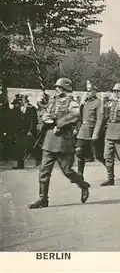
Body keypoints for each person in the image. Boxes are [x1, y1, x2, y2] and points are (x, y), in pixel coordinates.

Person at [28, 78, 90, 209]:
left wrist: (60, 124)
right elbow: (46, 114)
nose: (56, 89)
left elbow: (75, 115)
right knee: (43, 172)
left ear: (66, 89)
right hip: (49, 140)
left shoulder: (72, 102)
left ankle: (83, 185)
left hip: (63, 141)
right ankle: (43, 199)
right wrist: (44, 118)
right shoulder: (52, 101)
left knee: (67, 171)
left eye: (59, 87)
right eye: (56, 87)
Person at [101, 83, 120, 186]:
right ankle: (110, 178)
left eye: (118, 91)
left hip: (119, 132)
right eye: (115, 91)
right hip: (110, 132)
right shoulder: (112, 103)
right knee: (107, 156)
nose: (116, 93)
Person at [75, 81, 104, 176]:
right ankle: (80, 174)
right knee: (79, 151)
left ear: (95, 91)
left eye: (90, 91)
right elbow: (79, 117)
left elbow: (99, 119)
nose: (88, 93)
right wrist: (77, 128)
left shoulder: (99, 102)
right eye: (87, 91)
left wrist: (96, 133)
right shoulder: (85, 102)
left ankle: (109, 170)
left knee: (99, 156)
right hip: (83, 130)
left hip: (92, 130)